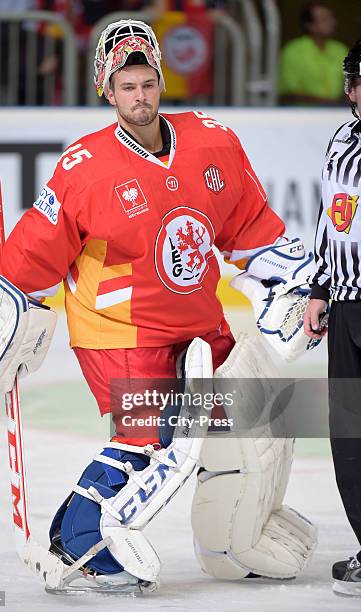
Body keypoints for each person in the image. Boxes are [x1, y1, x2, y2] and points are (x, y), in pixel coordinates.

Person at [0, 20, 316, 593]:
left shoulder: (212, 141)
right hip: (119, 329)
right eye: (127, 87)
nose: (140, 97)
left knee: (246, 422)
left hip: (197, 321)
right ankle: (82, 541)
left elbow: (248, 230)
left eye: (148, 83)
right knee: (151, 436)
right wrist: (8, 312)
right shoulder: (84, 168)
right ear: (107, 92)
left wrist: (295, 280)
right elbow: (35, 251)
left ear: (161, 83)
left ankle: (236, 541)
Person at [304, 39, 361, 598]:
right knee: (349, 430)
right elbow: (330, 221)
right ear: (350, 88)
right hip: (346, 308)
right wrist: (320, 289)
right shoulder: (341, 140)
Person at [279, 2, 348, 106]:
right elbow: (288, 94)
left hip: (337, 114)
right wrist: (328, 103)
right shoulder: (293, 51)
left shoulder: (340, 49)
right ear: (309, 25)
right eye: (325, 19)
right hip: (302, 115)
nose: (332, 22)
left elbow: (352, 84)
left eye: (332, 18)